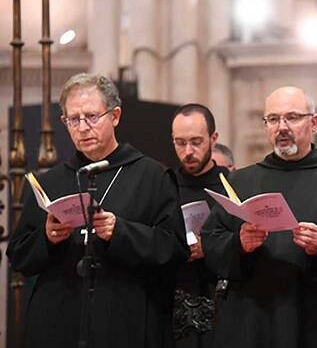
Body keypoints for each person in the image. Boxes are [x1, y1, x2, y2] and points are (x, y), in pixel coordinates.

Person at [6, 73, 189, 348]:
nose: (82, 127)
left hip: (125, 319)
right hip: (58, 320)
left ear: (115, 116)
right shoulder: (50, 181)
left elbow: (175, 250)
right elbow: (18, 256)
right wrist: (47, 238)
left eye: (91, 116)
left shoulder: (152, 176)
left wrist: (121, 232)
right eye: (73, 119)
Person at [201, 86, 317, 348]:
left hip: (314, 316)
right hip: (251, 319)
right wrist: (240, 243)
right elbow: (211, 240)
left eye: (292, 117)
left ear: (313, 122)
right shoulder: (241, 180)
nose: (282, 127)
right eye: (273, 119)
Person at [171, 103, 229, 347]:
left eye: (196, 142)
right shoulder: (164, 186)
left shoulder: (233, 185)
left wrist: (212, 246)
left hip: (223, 303)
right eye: (180, 143)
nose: (188, 151)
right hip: (174, 306)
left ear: (213, 139)